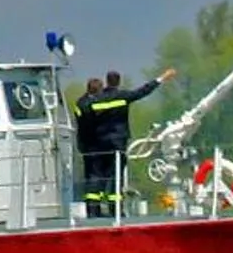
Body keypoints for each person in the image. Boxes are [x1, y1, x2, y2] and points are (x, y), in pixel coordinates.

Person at [73, 67, 176, 214]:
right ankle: (115, 209)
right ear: (118, 82)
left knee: (96, 175)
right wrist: (161, 79)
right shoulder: (123, 97)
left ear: (107, 82)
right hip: (118, 143)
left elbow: (85, 119)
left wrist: (85, 142)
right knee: (116, 176)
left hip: (100, 144)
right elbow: (142, 91)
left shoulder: (95, 101)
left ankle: (93, 208)